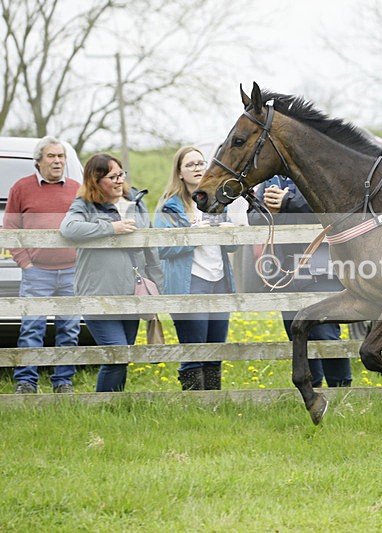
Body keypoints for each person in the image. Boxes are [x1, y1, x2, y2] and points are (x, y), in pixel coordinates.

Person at [60, 153, 163, 392]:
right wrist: (110, 228)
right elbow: (69, 228)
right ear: (96, 181)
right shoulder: (84, 204)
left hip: (132, 291)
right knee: (116, 354)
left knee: (123, 355)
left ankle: (113, 405)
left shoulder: (136, 201)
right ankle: (103, 404)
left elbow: (150, 248)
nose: (119, 181)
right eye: (112, 176)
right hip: (98, 294)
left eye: (120, 175)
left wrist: (157, 286)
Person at [249, 176, 352, 387]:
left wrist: (288, 202)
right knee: (296, 335)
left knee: (325, 334)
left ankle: (341, 389)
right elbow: (253, 217)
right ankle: (310, 388)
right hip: (285, 273)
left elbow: (325, 210)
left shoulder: (315, 173)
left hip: (321, 270)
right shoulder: (270, 182)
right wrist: (273, 211)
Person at [3, 136, 81, 394]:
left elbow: (86, 226)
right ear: (38, 161)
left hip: (71, 272)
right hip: (36, 272)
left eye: (61, 156)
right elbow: (10, 228)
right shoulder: (21, 188)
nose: (57, 161)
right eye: (51, 156)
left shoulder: (76, 189)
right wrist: (25, 263)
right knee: (32, 328)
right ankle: (26, 382)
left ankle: (63, 382)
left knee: (69, 328)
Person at [154, 146, 236, 390]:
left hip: (219, 281)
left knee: (215, 349)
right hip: (190, 282)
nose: (197, 168)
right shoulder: (170, 207)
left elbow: (233, 248)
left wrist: (229, 233)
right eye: (190, 164)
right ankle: (194, 403)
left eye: (201, 163)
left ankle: (213, 402)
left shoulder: (217, 201)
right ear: (179, 172)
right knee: (194, 349)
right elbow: (163, 249)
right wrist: (193, 236)